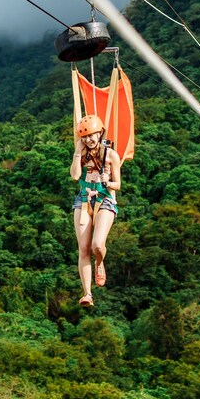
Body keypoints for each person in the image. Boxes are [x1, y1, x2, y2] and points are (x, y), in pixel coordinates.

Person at [70, 114, 121, 307]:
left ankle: (100, 262)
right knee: (83, 248)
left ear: (100, 133)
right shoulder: (82, 155)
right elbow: (75, 176)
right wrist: (77, 152)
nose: (88, 140)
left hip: (105, 200)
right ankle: (87, 294)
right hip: (83, 200)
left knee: (97, 246)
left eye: (91, 135)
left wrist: (107, 181)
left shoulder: (111, 155)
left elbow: (118, 184)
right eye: (84, 137)